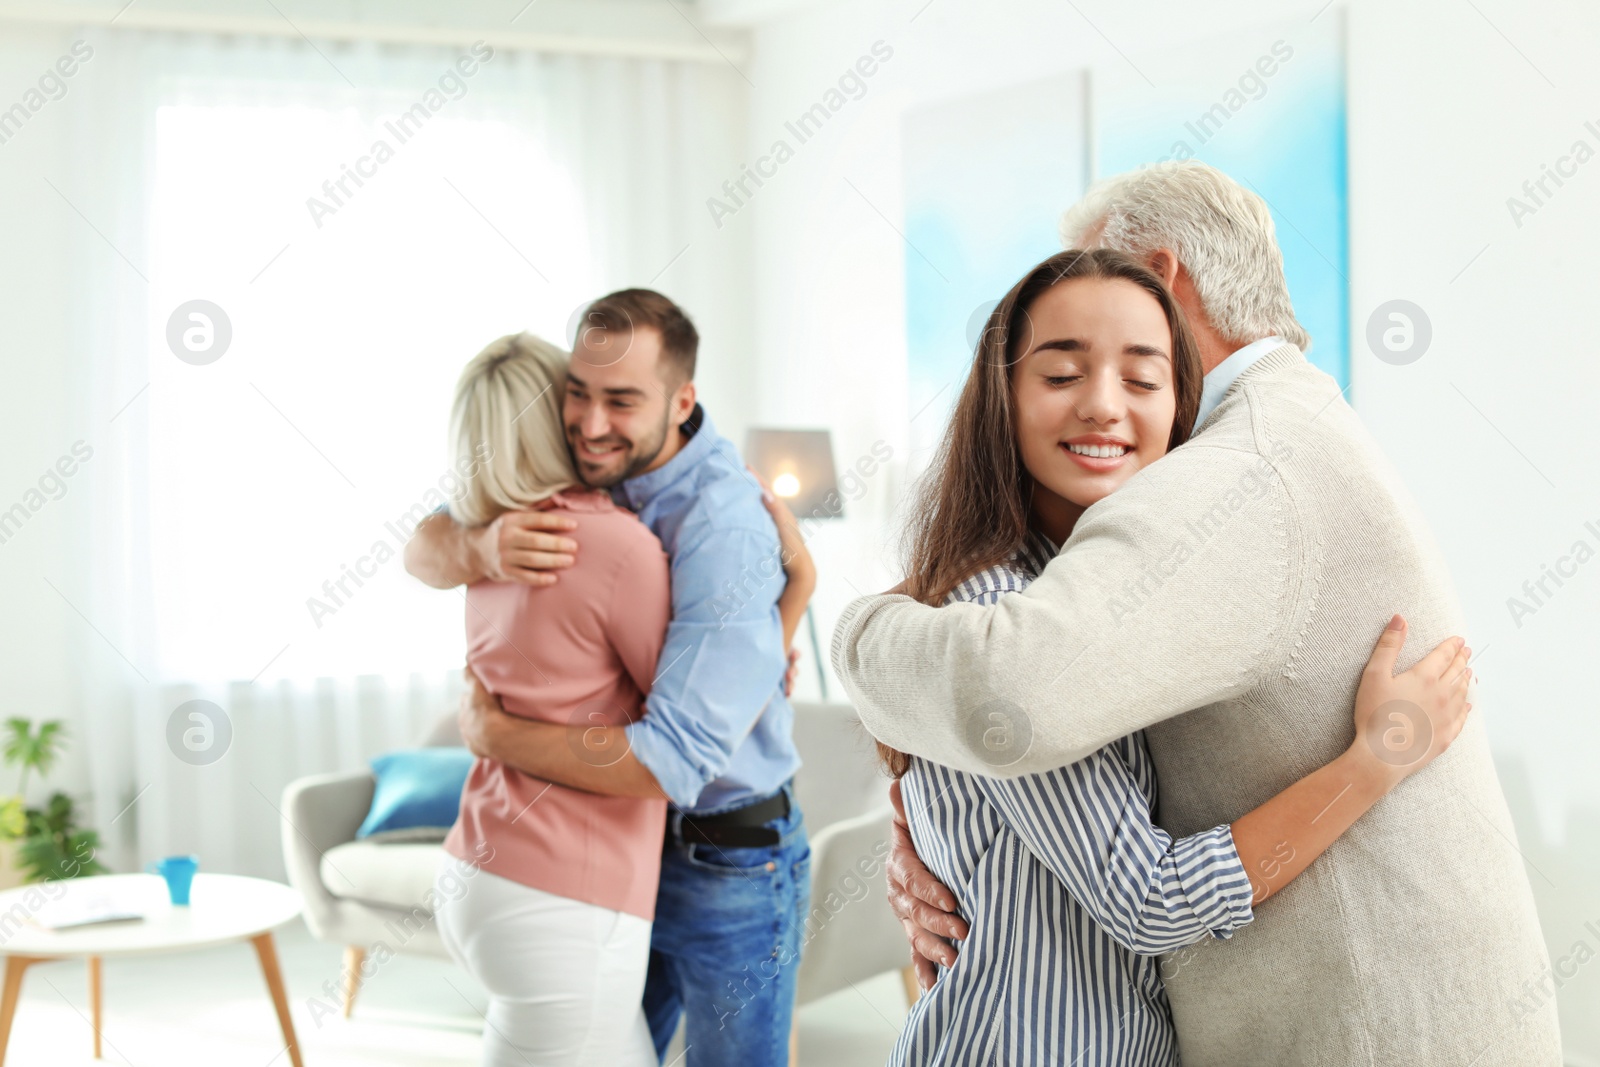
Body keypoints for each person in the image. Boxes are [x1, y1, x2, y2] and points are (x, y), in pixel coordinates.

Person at [834, 161, 1562, 1064]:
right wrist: (930, 819)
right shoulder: (1272, 435)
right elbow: (1010, 712)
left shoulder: (1239, 469)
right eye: (1060, 363)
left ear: (1161, 280)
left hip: (1366, 1024)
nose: (1105, 403)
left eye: (1136, 364)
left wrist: (857, 637)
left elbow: (1006, 686)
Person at [407, 290, 813, 1067]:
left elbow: (676, 755)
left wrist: (498, 734)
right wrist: (482, 549)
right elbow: (425, 540)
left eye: (622, 401)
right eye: (578, 396)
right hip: (620, 850)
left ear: (681, 400)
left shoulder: (722, 527)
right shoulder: (581, 482)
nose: (592, 424)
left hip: (726, 855)